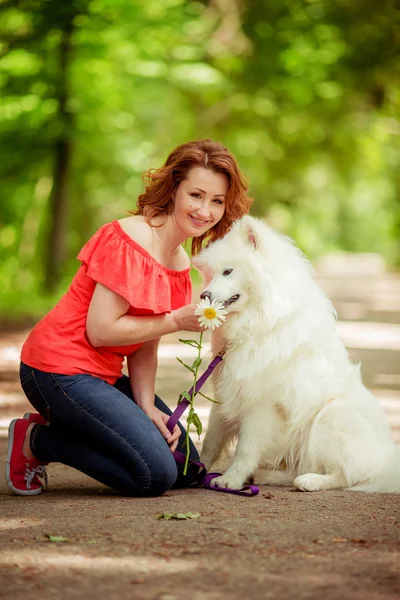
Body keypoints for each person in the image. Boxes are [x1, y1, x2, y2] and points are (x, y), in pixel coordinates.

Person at [6, 139, 252, 497]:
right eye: (196, 195)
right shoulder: (132, 238)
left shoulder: (180, 263)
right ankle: (38, 441)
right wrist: (173, 321)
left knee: (185, 467)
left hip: (102, 377)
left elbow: (142, 346)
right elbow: (101, 332)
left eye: (217, 201)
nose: (205, 210)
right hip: (57, 370)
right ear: (174, 189)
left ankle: (88, 424)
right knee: (153, 475)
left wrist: (146, 404)